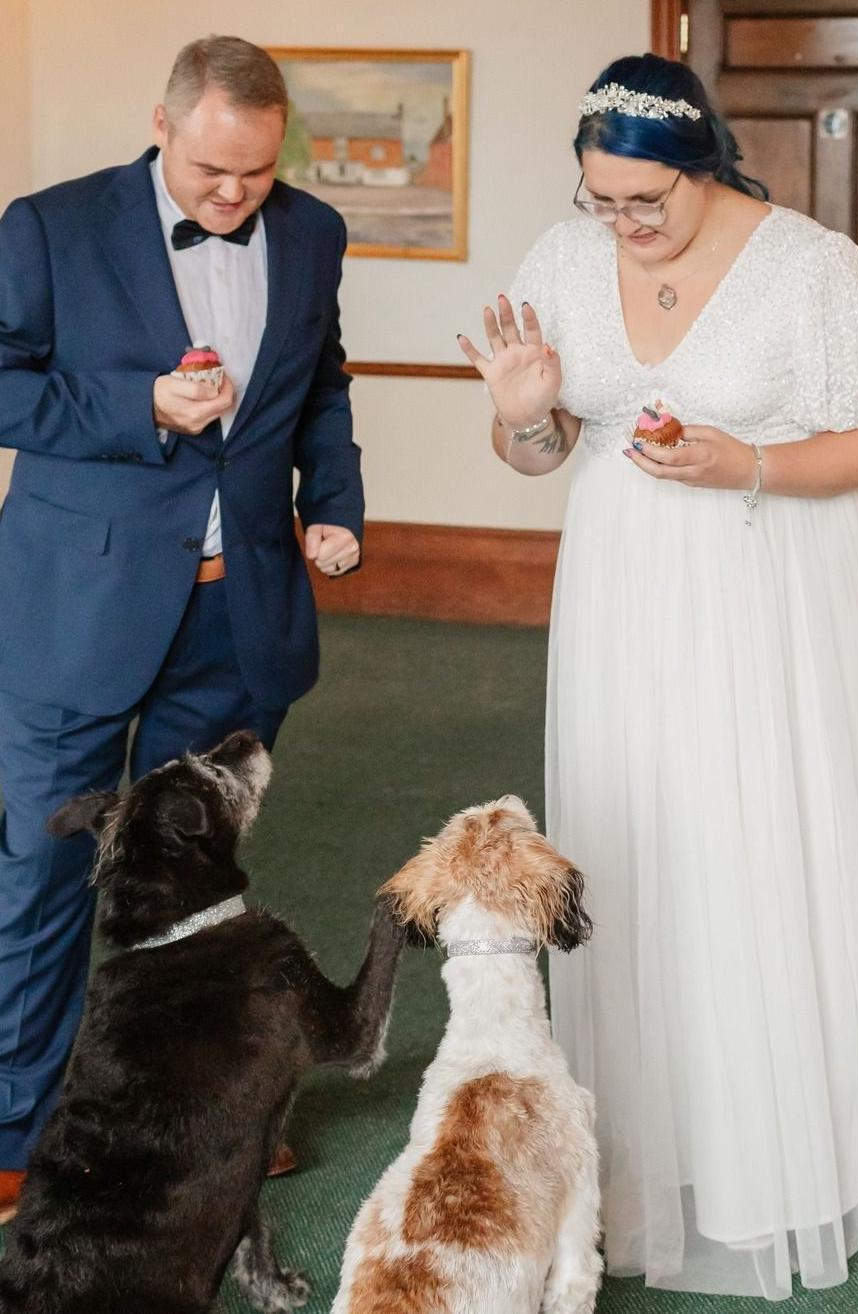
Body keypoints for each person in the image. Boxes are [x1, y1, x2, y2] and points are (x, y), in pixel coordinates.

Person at [459, 51, 858, 1301]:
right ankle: (643, 1155)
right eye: (604, 200)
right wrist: (526, 412)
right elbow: (537, 451)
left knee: (748, 846)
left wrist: (739, 463)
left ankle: (778, 1152)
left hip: (762, 596)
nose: (627, 225)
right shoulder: (565, 257)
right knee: (632, 846)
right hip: (620, 599)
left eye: (650, 200)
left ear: (703, 165)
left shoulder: (810, 266)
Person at [0, 35, 362, 1221]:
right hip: (78, 604)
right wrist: (137, 406)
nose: (233, 195)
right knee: (43, 866)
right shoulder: (50, 226)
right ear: (162, 124)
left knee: (194, 881)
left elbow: (321, 389)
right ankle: (19, 1126)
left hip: (235, 608)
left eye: (255, 174)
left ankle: (194, 1104)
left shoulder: (310, 233)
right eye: (213, 170)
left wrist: (335, 508)